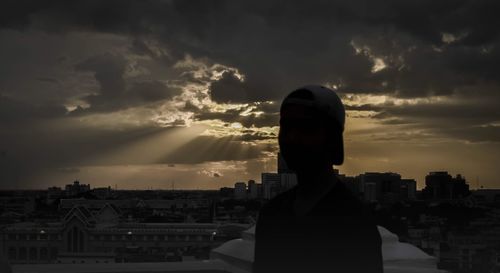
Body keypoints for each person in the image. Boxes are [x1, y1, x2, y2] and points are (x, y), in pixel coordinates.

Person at [253, 85, 384, 273]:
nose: (292, 138)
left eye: (306, 128)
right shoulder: (271, 215)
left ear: (332, 139)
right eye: (286, 127)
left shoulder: (354, 224)